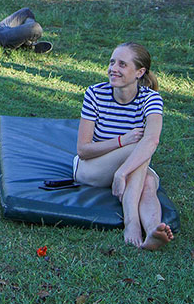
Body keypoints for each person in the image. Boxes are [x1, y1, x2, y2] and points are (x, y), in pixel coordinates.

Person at [73, 42, 173, 251]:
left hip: (129, 170)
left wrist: (122, 172)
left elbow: (153, 139)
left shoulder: (151, 99)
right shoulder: (95, 93)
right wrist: (121, 141)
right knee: (140, 146)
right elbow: (83, 150)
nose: (113, 69)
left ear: (140, 72)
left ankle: (154, 229)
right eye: (112, 62)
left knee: (147, 180)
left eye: (122, 64)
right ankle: (132, 223)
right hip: (92, 169)